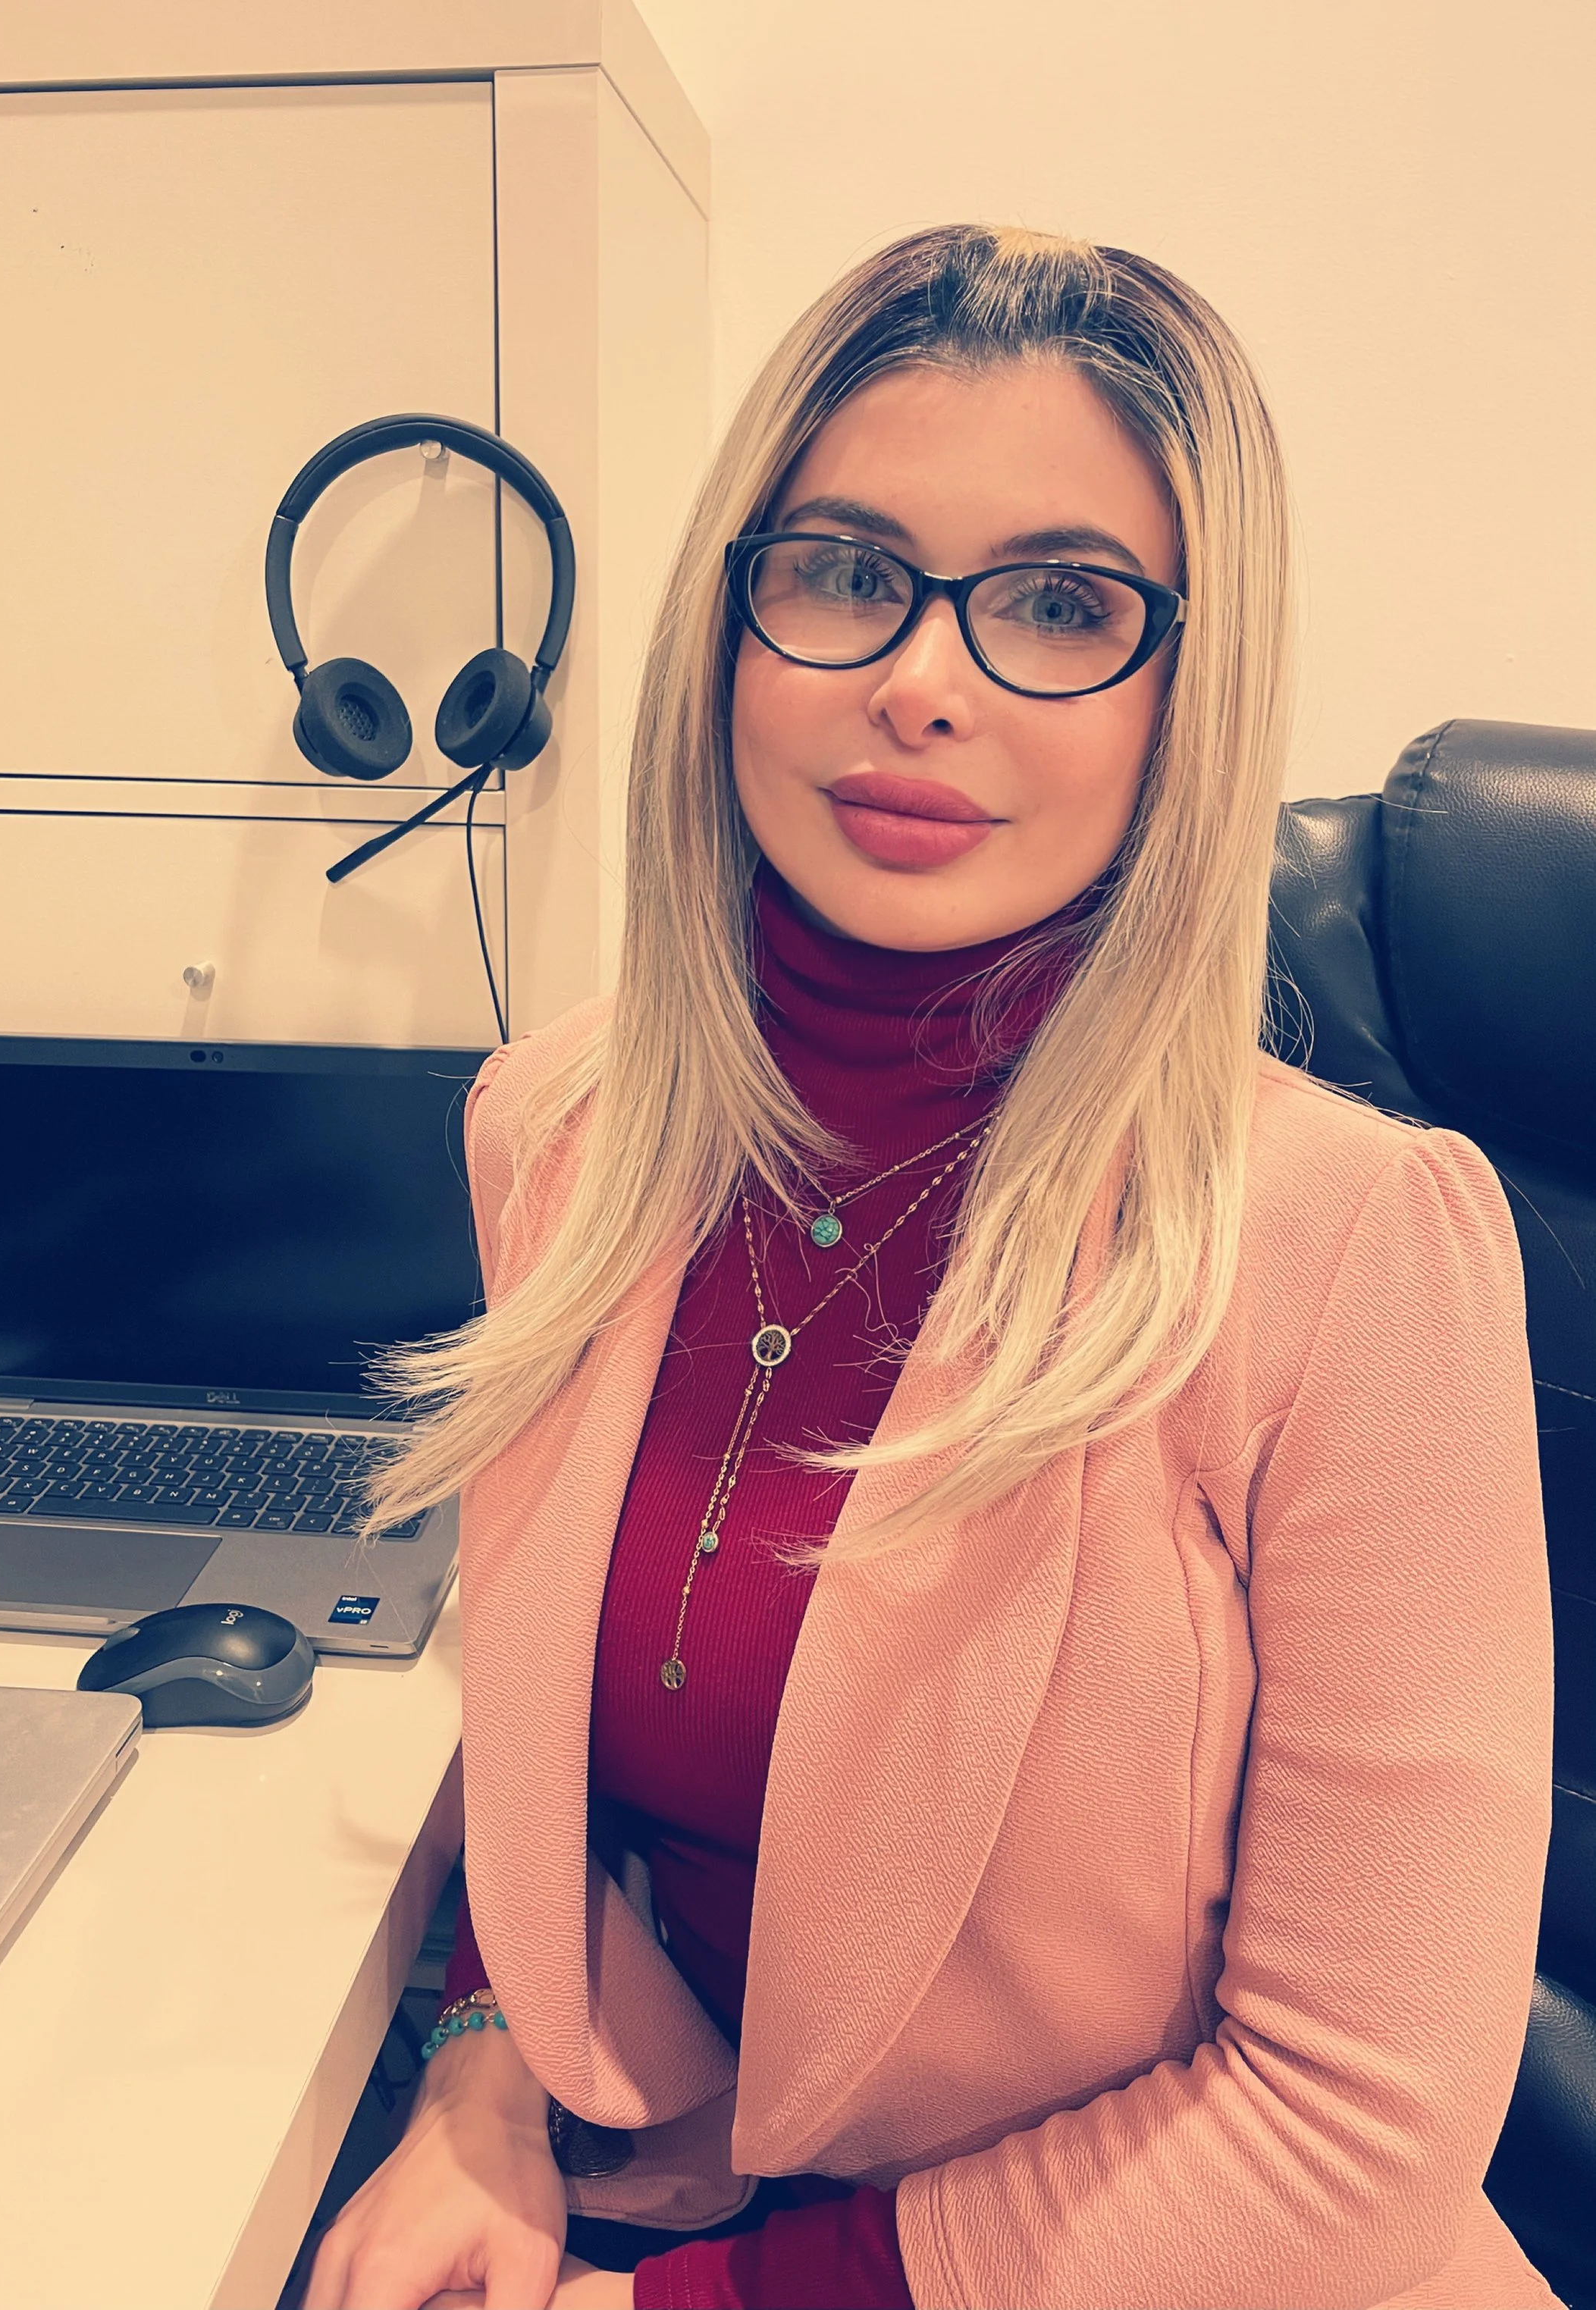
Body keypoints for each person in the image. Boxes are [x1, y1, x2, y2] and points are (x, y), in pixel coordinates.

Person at [305, 224, 1562, 2310]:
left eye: (1060, 605)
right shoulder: (562, 1136)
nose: (919, 676)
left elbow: (1351, 2121)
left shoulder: (1349, 1248)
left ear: (1189, 690)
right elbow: (548, 1743)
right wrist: (480, 2068)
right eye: (842, 569)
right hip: (698, 2162)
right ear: (733, 620)